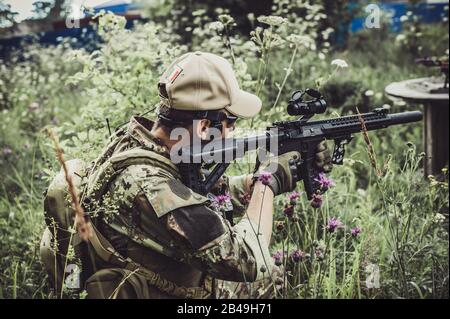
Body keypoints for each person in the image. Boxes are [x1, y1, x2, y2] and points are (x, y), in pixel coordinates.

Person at [80, 51, 332, 299]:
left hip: (154, 274)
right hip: (162, 290)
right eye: (230, 121)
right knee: (271, 277)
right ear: (203, 126)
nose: (232, 131)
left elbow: (193, 196)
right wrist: (268, 182)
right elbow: (249, 260)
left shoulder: (139, 142)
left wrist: (253, 182)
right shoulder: (153, 186)